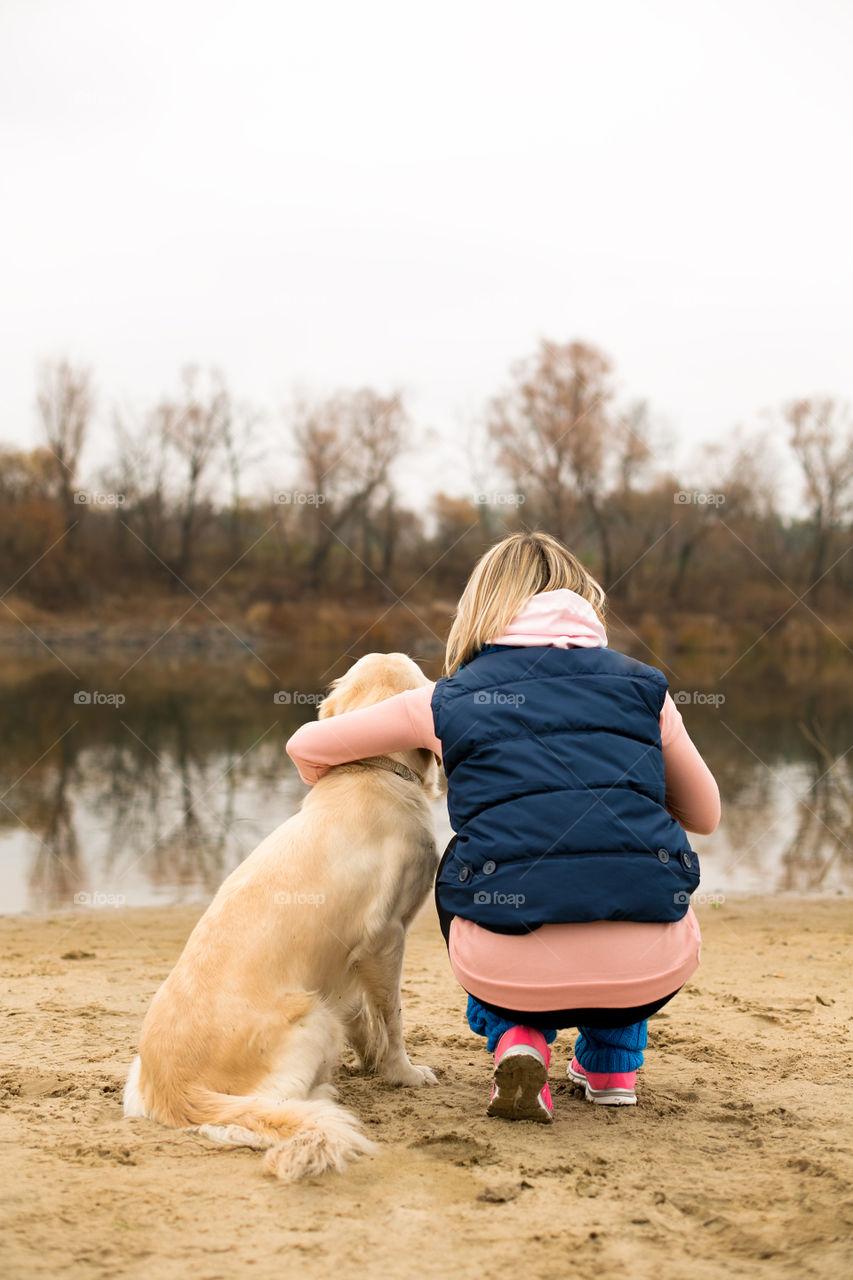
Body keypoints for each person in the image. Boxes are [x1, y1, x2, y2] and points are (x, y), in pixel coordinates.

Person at [286, 532, 721, 1122]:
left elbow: (306, 746)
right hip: (650, 967)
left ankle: (518, 1039)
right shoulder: (645, 689)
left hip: (505, 967)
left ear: (481, 608)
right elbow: (706, 816)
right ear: (585, 601)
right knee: (630, 872)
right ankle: (612, 1067)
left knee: (474, 869)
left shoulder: (447, 699)